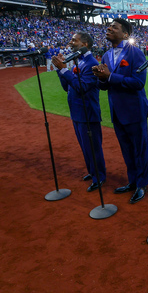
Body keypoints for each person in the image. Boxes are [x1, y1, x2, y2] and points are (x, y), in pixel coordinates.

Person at [92, 19, 148, 204]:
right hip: (117, 112)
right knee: (126, 150)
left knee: (139, 150)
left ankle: (142, 185)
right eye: (108, 26)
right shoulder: (107, 55)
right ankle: (132, 181)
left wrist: (110, 76)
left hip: (135, 111)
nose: (109, 28)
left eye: (114, 27)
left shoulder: (136, 53)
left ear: (125, 34)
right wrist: (101, 78)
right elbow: (103, 86)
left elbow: (139, 83)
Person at [51, 32, 107, 192]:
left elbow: (82, 88)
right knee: (84, 146)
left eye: (74, 40)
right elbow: (67, 87)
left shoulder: (91, 63)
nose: (71, 42)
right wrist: (60, 70)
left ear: (86, 44)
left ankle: (99, 177)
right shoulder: (78, 61)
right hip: (77, 112)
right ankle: (92, 172)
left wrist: (64, 70)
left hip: (88, 113)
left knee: (93, 147)